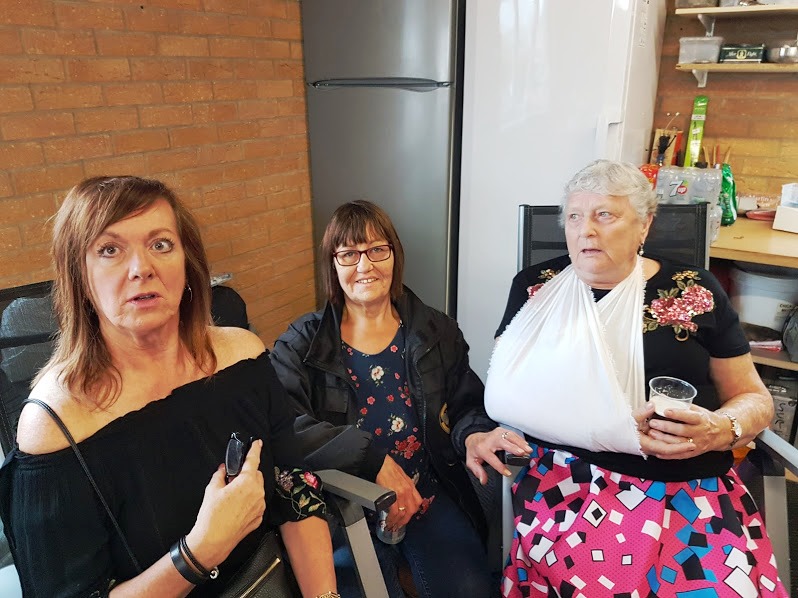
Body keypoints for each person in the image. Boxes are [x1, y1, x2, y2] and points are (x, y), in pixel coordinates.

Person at [0, 176, 339, 598]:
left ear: (187, 265)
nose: (141, 268)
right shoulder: (55, 425)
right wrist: (200, 552)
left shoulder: (244, 356)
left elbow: (295, 487)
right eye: (109, 250)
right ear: (80, 278)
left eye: (160, 244)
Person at [480, 160, 788, 597]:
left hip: (689, 484)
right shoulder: (536, 288)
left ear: (645, 224)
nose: (586, 230)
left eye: (605, 214)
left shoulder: (694, 291)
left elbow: (754, 398)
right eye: (574, 216)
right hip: (571, 484)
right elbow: (507, 394)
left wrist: (723, 429)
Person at [270, 200, 495, 598]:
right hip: (342, 507)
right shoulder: (301, 343)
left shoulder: (436, 330)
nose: (364, 266)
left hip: (424, 490)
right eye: (349, 254)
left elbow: (465, 404)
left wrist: (474, 433)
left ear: (394, 255)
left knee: (471, 589)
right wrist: (373, 461)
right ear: (332, 265)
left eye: (377, 250)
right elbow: (282, 424)